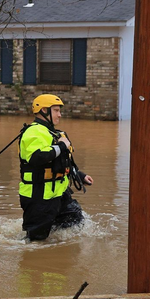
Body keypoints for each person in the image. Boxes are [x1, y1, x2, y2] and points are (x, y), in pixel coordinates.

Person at [19, 94, 93, 241]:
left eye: (59, 111)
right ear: (44, 111)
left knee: (75, 223)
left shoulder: (55, 133)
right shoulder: (33, 132)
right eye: (56, 110)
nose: (60, 115)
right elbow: (36, 157)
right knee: (36, 241)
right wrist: (60, 146)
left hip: (59, 193)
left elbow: (61, 163)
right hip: (39, 196)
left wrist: (79, 175)